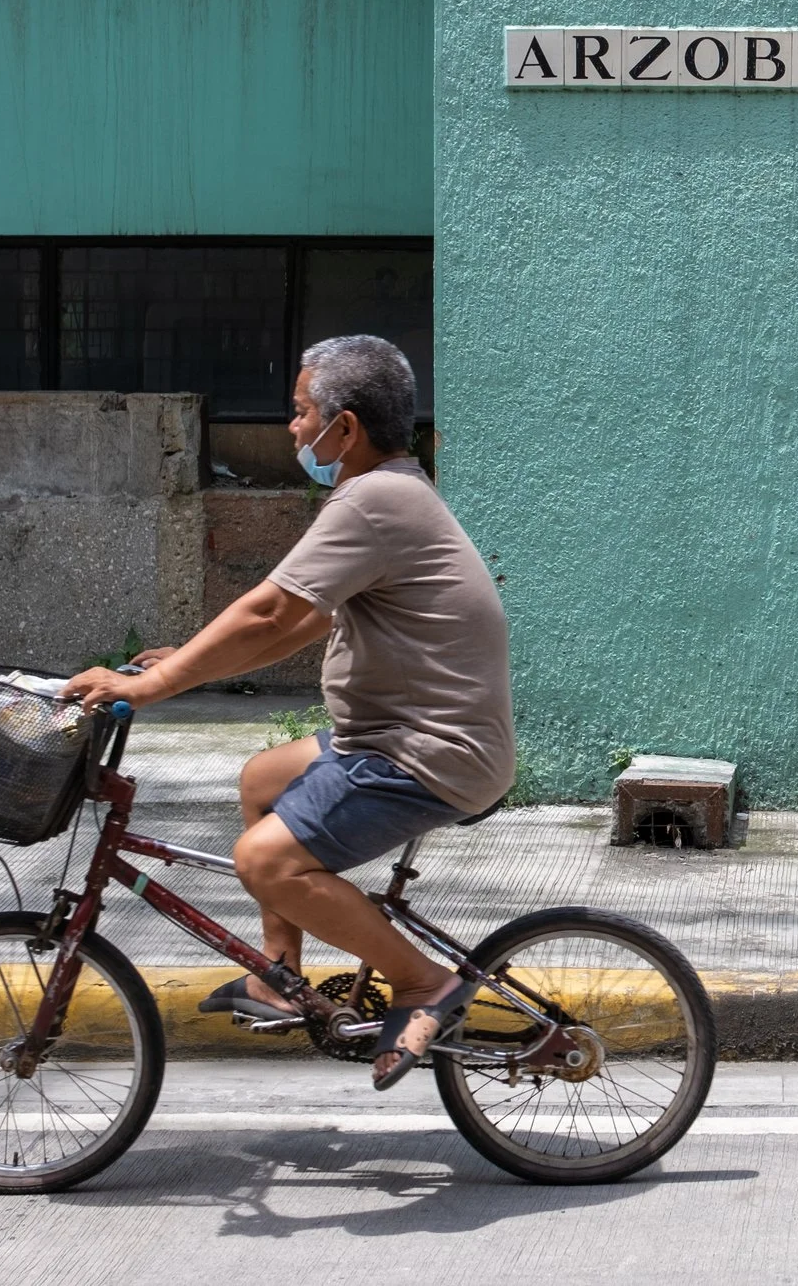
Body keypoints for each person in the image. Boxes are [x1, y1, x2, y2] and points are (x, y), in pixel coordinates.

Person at [62, 335, 514, 1090]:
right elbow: (300, 621)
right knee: (263, 780)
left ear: (346, 428)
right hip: (401, 738)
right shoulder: (392, 490)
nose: (293, 427)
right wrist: (182, 665)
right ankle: (278, 975)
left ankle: (423, 983)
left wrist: (151, 685)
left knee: (263, 860)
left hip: (423, 753)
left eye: (302, 411)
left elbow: (268, 610)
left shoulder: (373, 501)